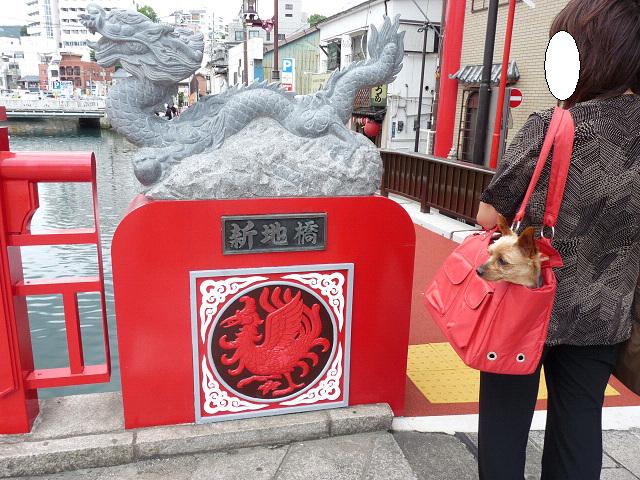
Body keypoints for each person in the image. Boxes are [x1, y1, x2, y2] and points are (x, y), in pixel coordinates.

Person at [475, 1, 640, 478]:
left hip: (524, 303)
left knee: (505, 422)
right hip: (604, 311)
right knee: (580, 420)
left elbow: (489, 214)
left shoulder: (555, 125)